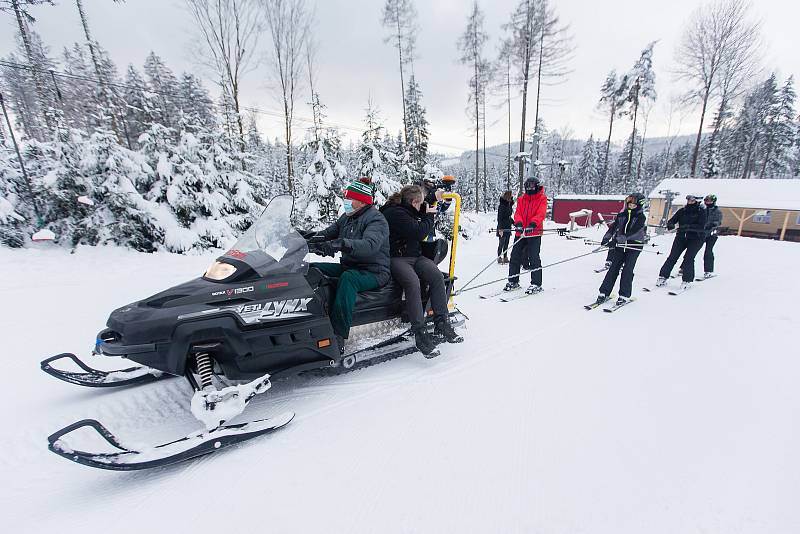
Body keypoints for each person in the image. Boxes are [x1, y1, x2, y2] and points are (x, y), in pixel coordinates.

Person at [309, 178, 391, 355]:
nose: (345, 201)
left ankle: (338, 335)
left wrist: (342, 244)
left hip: (374, 271)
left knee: (348, 279)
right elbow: (327, 234)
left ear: (361, 201)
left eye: (349, 198)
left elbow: (370, 246)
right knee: (312, 268)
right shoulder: (347, 217)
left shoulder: (376, 220)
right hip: (350, 266)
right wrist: (308, 239)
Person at [380, 185, 463, 357]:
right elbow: (418, 232)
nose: (421, 207)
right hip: (396, 258)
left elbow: (423, 206)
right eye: (419, 204)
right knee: (412, 282)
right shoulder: (395, 213)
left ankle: (442, 322)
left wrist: (433, 197)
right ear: (413, 202)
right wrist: (430, 216)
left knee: (436, 276)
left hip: (414, 256)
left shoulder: (408, 208)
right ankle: (419, 331)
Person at [594, 193, 647, 306]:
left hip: (634, 246)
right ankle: (604, 292)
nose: (631, 206)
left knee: (627, 270)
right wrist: (607, 238)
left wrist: (619, 239)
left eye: (634, 205)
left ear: (639, 205)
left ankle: (624, 295)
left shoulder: (641, 217)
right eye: (629, 204)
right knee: (613, 268)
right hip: (621, 245)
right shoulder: (622, 214)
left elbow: (634, 232)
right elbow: (614, 227)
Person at [503, 176, 548, 294]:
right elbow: (518, 213)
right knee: (515, 256)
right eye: (528, 185)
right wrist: (518, 223)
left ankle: (536, 283)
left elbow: (541, 213)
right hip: (521, 232)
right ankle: (513, 280)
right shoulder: (522, 199)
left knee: (533, 257)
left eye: (532, 185)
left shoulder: (542, 199)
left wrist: (533, 224)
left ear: (537, 186)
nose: (530, 188)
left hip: (534, 233)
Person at [656, 194, 708, 289]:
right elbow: (673, 220)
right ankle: (663, 277)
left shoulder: (701, 212)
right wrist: (670, 224)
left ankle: (687, 280)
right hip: (681, 237)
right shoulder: (682, 211)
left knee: (688, 258)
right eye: (688, 200)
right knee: (672, 256)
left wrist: (688, 227)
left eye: (691, 200)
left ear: (697, 201)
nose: (689, 202)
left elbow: (702, 226)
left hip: (696, 238)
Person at [702, 194, 722, 278]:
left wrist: (713, 225)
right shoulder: (703, 209)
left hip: (711, 233)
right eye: (706, 200)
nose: (707, 202)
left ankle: (708, 270)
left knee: (708, 251)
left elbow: (718, 221)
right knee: (692, 250)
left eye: (709, 201)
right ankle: (684, 267)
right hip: (701, 232)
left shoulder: (717, 211)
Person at [496, 191, 514, 264]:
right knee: (501, 243)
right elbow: (499, 218)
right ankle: (499, 257)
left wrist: (514, 223)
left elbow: (509, 217)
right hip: (502, 227)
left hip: (508, 226)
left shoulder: (509, 205)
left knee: (506, 243)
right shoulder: (502, 206)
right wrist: (500, 229)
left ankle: (505, 257)